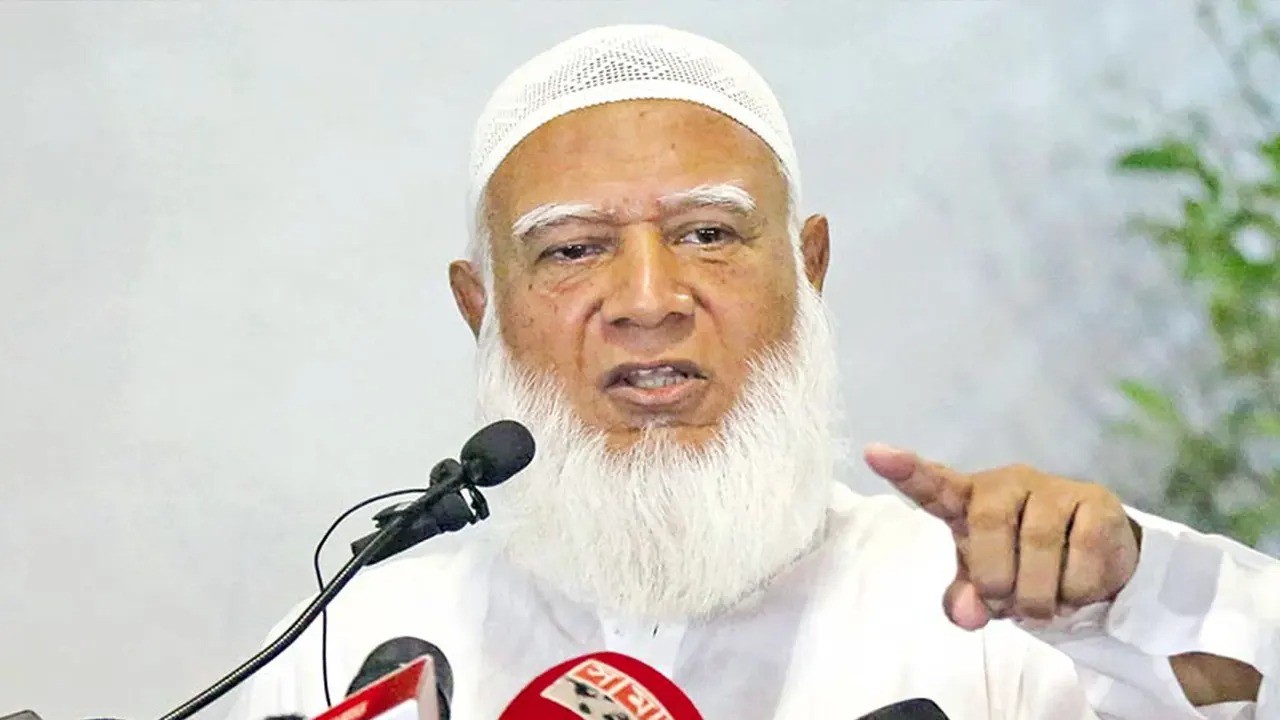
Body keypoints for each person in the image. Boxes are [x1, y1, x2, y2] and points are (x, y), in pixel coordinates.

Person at [230, 25, 1276, 719]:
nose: (648, 298)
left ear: (808, 268)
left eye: (709, 235)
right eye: (573, 248)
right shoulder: (364, 645)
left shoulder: (996, 618)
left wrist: (1135, 594)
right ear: (481, 309)